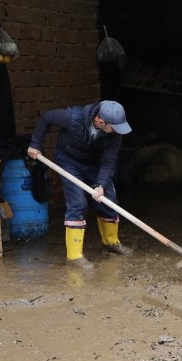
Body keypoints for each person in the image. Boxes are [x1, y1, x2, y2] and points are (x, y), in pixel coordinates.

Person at [27, 100, 132, 268]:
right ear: (100, 121)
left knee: (109, 199)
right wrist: (35, 143)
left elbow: (108, 163)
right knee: (78, 203)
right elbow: (46, 118)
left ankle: (111, 242)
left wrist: (100, 185)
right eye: (114, 126)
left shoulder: (115, 134)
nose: (117, 131)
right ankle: (74, 256)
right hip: (69, 161)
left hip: (93, 163)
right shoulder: (72, 117)